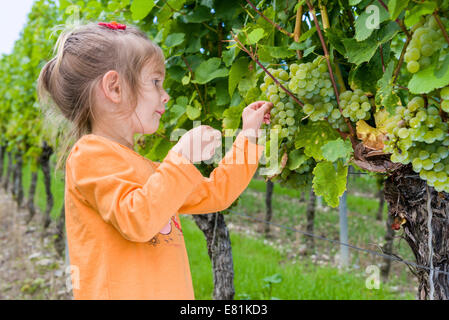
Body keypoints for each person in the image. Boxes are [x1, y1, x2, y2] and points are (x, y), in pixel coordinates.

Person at [37, 21, 272, 300]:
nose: (166, 95)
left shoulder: (147, 168)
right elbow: (137, 219)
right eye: (155, 82)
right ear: (114, 88)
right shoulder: (87, 156)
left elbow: (216, 193)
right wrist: (182, 157)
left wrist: (248, 137)